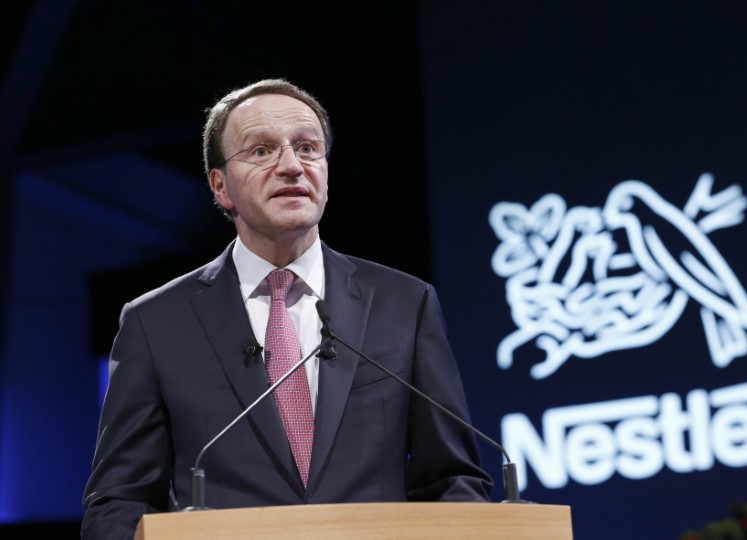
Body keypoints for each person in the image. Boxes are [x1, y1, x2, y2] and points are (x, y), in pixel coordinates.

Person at [81, 78, 493, 539]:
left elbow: (453, 480)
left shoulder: (404, 304)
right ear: (221, 187)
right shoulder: (155, 323)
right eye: (261, 151)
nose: (292, 166)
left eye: (307, 148)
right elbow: (116, 505)